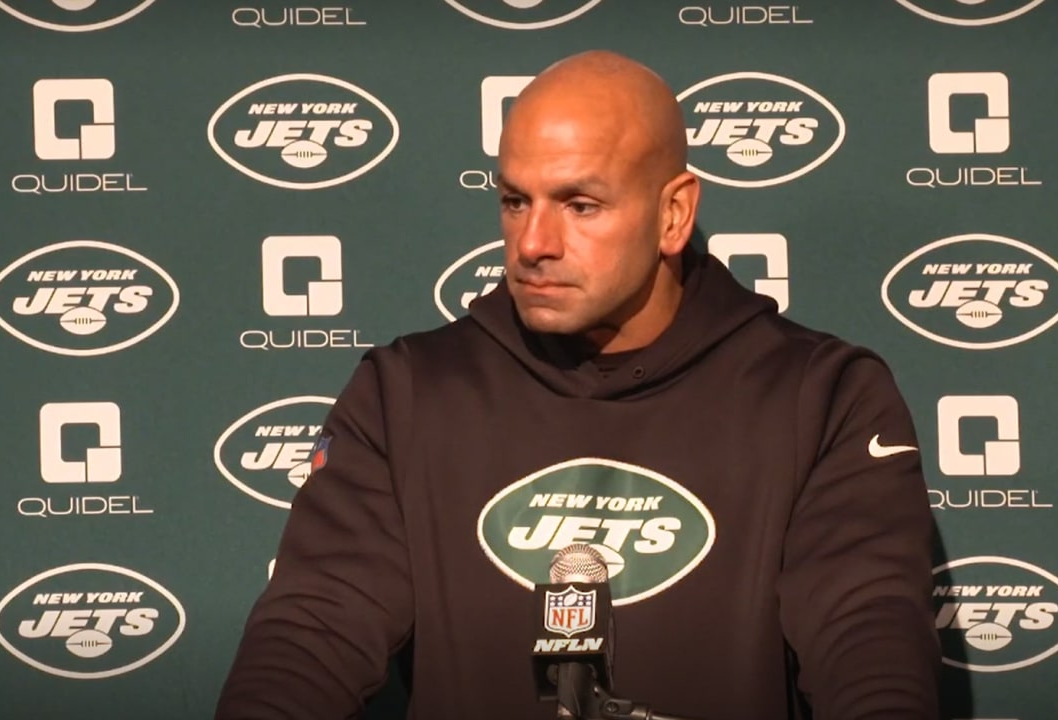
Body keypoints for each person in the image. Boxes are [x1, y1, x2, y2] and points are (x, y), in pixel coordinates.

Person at [215, 50, 940, 720]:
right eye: (515, 201)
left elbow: (865, 636)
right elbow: (312, 631)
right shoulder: (407, 392)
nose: (533, 244)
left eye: (580, 205)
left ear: (674, 213)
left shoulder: (822, 396)